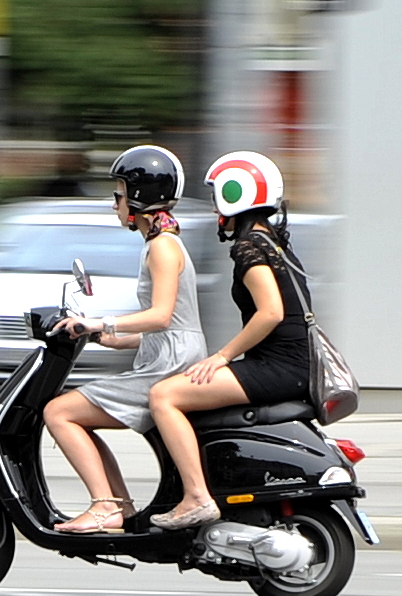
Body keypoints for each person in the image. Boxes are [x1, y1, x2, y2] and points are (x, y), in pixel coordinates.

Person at [44, 145, 206, 534]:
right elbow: (165, 328)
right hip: (169, 354)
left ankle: (104, 507)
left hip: (170, 366)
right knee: (76, 414)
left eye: (118, 192)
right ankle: (118, 505)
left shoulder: (163, 247)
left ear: (139, 198)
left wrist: (103, 323)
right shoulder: (160, 243)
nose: (113, 202)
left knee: (59, 412)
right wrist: (101, 335)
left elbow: (161, 316)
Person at [147, 151, 309, 530]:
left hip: (278, 366)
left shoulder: (249, 247)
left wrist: (222, 356)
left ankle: (196, 498)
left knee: (164, 396)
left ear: (234, 197)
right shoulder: (274, 241)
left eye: (217, 195)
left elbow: (271, 311)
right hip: (290, 364)